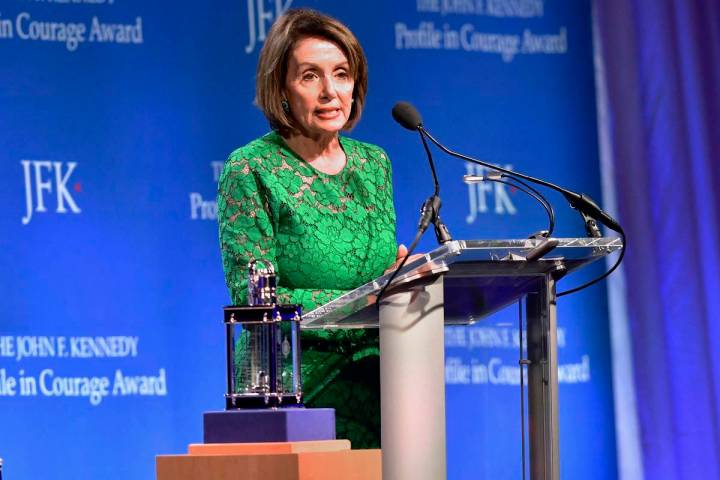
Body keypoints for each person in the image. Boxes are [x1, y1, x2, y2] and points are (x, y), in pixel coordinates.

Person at [217, 8, 401, 448]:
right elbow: (253, 298)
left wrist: (403, 278)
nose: (329, 92)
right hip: (292, 391)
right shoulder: (251, 169)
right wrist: (364, 300)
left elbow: (380, 273)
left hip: (383, 387)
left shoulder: (374, 165)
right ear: (281, 88)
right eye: (309, 76)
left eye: (341, 74)